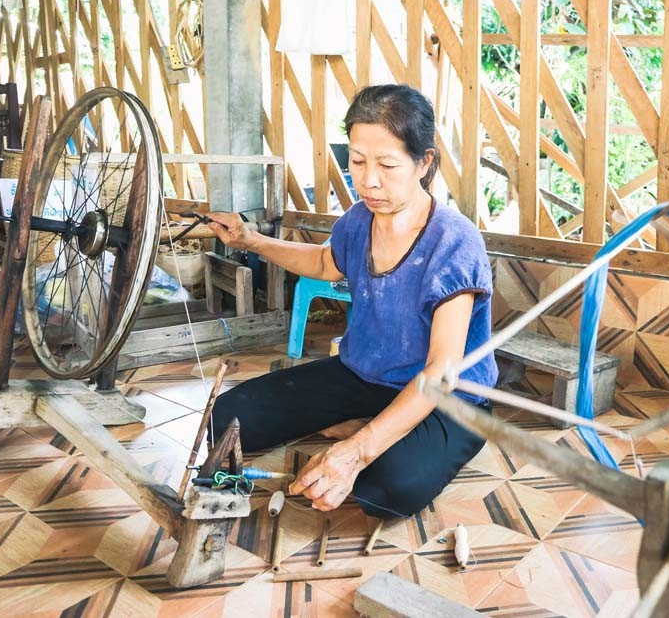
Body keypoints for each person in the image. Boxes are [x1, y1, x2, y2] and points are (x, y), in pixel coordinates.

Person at [206, 84, 497, 519]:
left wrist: (358, 451)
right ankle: (377, 424)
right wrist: (252, 240)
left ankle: (387, 433)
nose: (368, 180)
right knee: (228, 417)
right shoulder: (359, 220)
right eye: (357, 162)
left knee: (386, 490)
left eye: (386, 164)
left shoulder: (454, 242)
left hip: (448, 396)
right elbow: (325, 262)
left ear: (424, 162)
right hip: (365, 375)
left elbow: (441, 371)